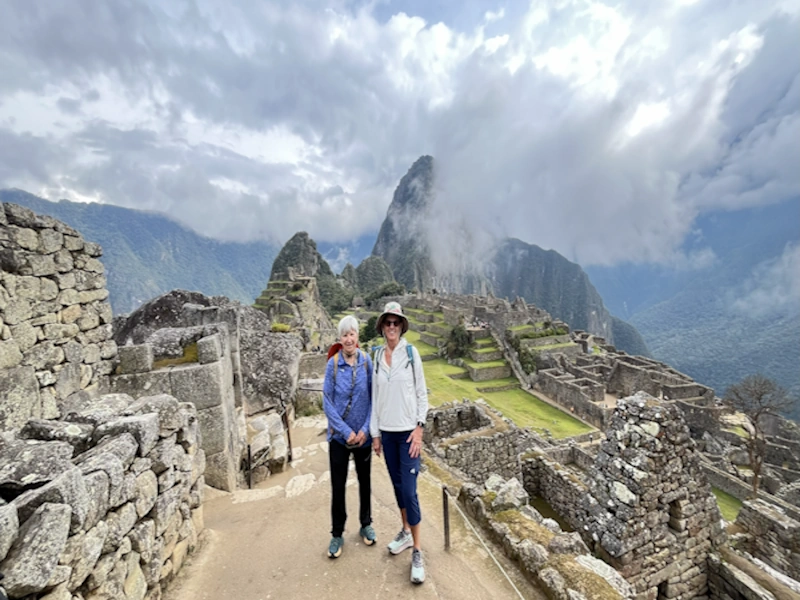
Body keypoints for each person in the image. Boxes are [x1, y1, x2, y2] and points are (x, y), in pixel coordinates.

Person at [370, 301, 429, 584]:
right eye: (387, 322)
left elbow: (421, 393)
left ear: (401, 326)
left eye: (396, 323)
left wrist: (419, 429)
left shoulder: (410, 353)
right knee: (397, 487)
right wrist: (375, 435)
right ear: (381, 326)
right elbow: (375, 401)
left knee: (409, 490)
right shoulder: (377, 356)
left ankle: (417, 550)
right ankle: (405, 532)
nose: (391, 327)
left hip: (407, 433)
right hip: (387, 433)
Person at [323, 315, 376, 558]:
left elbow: (373, 399)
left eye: (352, 334)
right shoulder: (332, 366)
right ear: (340, 338)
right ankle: (337, 533)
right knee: (338, 486)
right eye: (344, 335)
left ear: (357, 337)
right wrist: (346, 432)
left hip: (363, 437)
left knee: (365, 482)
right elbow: (327, 403)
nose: (349, 339)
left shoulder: (366, 362)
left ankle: (366, 523)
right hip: (339, 439)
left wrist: (365, 430)